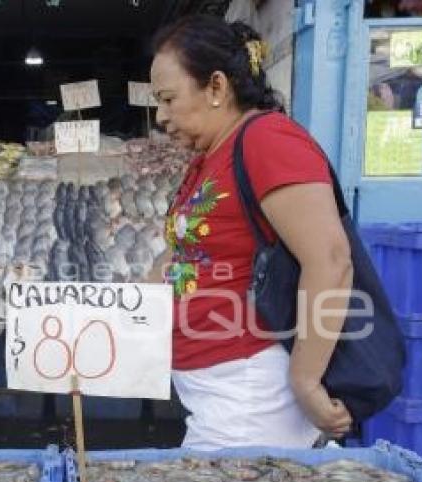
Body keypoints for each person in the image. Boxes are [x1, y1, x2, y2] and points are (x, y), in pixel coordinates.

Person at [149, 16, 354, 450]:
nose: (160, 117)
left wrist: (305, 379)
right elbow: (189, 252)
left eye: (168, 99)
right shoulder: (211, 155)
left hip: (249, 399)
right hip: (216, 391)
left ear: (217, 87)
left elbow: (331, 260)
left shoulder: (268, 140)